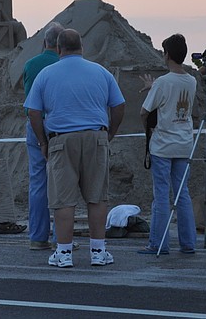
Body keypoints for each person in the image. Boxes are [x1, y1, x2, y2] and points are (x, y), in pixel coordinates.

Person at [24, 29, 125, 268]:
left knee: (63, 200)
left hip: (61, 139)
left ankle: (64, 253)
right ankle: (98, 252)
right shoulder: (101, 72)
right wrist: (109, 133)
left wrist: (43, 141)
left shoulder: (46, 74)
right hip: (96, 136)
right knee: (97, 197)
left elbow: (33, 112)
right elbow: (119, 105)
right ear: (82, 47)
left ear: (58, 49)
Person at [138, 34, 197, 255]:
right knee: (182, 194)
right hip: (184, 143)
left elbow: (144, 112)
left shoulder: (162, 83)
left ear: (167, 54)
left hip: (163, 145)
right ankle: (188, 243)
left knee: (161, 195)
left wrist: (149, 129)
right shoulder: (191, 80)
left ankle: (159, 243)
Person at [22, 21, 64, 250]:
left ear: (43, 43)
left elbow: (29, 104)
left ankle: (38, 238)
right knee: (61, 182)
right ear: (61, 45)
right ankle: (61, 237)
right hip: (60, 126)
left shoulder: (31, 64)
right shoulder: (63, 64)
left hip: (35, 124)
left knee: (38, 182)